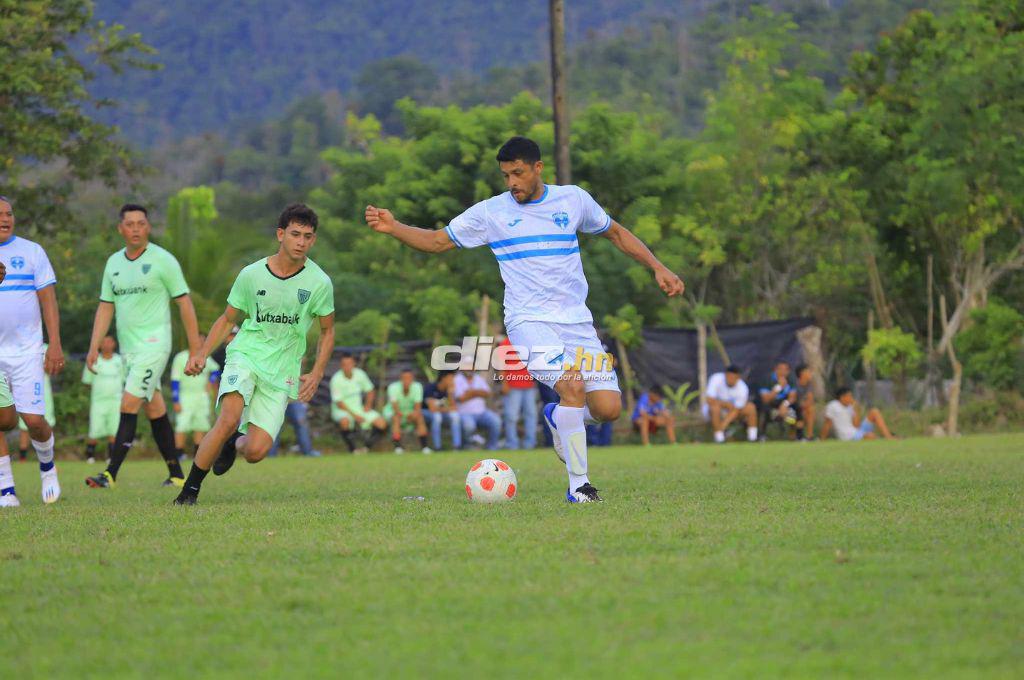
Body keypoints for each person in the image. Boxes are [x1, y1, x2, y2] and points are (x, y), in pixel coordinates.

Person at [366, 136, 684, 502]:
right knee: (571, 385)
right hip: (528, 322)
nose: (512, 183)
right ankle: (579, 486)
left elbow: (614, 232)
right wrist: (395, 227)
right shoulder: (491, 213)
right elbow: (438, 241)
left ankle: (557, 417)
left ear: (538, 168)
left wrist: (657, 267)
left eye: (518, 173)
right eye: (505, 176)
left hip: (576, 322)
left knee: (608, 409)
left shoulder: (573, 199)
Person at [173, 203, 335, 505]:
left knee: (256, 452)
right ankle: (189, 492)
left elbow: (328, 331)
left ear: (313, 240)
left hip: (282, 369)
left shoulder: (319, 283)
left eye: (308, 236)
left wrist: (317, 371)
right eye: (295, 234)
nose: (301, 242)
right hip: (245, 355)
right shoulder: (251, 275)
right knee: (228, 418)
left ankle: (234, 443)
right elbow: (228, 319)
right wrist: (201, 353)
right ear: (280, 234)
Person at [85, 204, 202, 489]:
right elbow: (105, 307)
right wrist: (93, 347)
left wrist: (196, 348)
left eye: (141, 223)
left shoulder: (164, 260)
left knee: (129, 403)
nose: (136, 228)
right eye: (130, 224)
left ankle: (110, 473)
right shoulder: (113, 263)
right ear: (121, 229)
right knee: (154, 409)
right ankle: (176, 473)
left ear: (148, 227)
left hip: (155, 345)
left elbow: (184, 302)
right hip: (129, 350)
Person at [0, 196, 65, 506]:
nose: (5, 218)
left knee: (34, 420)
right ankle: (6, 489)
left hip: (27, 351)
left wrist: (54, 343)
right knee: (1, 420)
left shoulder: (31, 251)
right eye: (0, 214)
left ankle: (47, 467)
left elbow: (48, 300)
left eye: (9, 213)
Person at [170, 333, 220, 462]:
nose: (200, 343)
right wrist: (175, 400)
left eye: (203, 341)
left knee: (201, 425)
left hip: (202, 396)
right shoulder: (180, 357)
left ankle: (198, 454)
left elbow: (216, 370)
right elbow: (175, 380)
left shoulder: (205, 358)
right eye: (198, 340)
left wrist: (211, 380)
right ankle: (179, 454)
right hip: (185, 396)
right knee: (182, 425)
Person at [330, 353, 387, 453]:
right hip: (342, 410)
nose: (347, 367)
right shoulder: (336, 379)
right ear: (341, 366)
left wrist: (368, 405)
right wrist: (355, 416)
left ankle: (366, 447)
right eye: (344, 364)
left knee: (382, 423)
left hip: (359, 408)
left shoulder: (360, 374)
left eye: (349, 364)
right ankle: (353, 450)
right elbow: (339, 403)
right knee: (345, 421)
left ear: (353, 364)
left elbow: (370, 390)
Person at [81, 335, 124, 463]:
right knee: (95, 429)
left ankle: (111, 456)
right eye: (103, 342)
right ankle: (90, 456)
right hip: (98, 401)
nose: (106, 345)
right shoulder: (94, 359)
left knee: (114, 429)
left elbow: (125, 379)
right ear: (99, 345)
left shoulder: (120, 360)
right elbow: (87, 381)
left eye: (109, 342)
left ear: (114, 344)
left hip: (116, 400)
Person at [498, 336, 537, 450]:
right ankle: (512, 444)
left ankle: (530, 444)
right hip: (512, 386)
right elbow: (501, 365)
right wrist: (503, 383)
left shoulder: (528, 341)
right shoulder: (505, 342)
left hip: (529, 385)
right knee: (511, 416)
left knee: (531, 415)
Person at [704, 365, 758, 443]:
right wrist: (726, 405)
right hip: (715, 411)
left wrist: (723, 426)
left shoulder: (743, 388)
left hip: (733, 412)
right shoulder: (716, 379)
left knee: (751, 408)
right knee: (715, 408)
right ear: (725, 375)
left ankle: (752, 438)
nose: (731, 380)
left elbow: (736, 409)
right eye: (729, 377)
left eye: (734, 378)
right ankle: (719, 439)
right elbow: (710, 400)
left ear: (738, 377)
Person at [821, 387, 896, 441]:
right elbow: (827, 423)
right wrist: (822, 439)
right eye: (849, 396)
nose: (851, 398)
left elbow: (856, 425)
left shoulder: (850, 406)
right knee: (870, 436)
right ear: (842, 397)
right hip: (848, 435)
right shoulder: (833, 405)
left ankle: (888, 437)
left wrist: (856, 410)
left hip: (856, 430)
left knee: (874, 411)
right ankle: (882, 438)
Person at [383, 368, 430, 453]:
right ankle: (398, 447)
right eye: (404, 378)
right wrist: (403, 415)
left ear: (412, 379)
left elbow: (417, 407)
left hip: (409, 414)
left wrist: (413, 415)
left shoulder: (417, 386)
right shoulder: (393, 387)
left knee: (419, 417)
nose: (406, 381)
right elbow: (395, 408)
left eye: (409, 378)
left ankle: (425, 447)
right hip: (394, 413)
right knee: (396, 418)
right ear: (400, 379)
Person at [454, 369, 501, 450]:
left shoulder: (478, 378)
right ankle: (468, 446)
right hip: (464, 413)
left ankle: (492, 447)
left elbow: (488, 393)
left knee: (496, 421)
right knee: (469, 426)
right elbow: (461, 398)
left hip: (482, 412)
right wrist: (478, 392)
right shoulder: (456, 379)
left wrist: (471, 392)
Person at [422, 370, 461, 451]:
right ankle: (438, 447)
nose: (452, 381)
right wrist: (448, 409)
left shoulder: (448, 390)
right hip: (425, 412)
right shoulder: (431, 387)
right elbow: (432, 409)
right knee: (437, 416)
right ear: (443, 378)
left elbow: (454, 408)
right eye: (451, 379)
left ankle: (456, 446)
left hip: (440, 412)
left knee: (455, 416)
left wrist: (450, 393)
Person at [757, 360, 797, 438]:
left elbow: (792, 397)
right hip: (770, 406)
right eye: (780, 369)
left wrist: (784, 405)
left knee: (793, 415)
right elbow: (766, 399)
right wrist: (779, 387)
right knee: (765, 411)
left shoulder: (791, 379)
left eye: (785, 370)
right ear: (775, 369)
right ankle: (762, 435)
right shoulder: (767, 380)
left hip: (784, 407)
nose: (782, 372)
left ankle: (794, 436)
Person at [792, 364, 816, 440]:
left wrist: (804, 405)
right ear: (802, 373)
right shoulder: (794, 384)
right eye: (808, 371)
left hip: (802, 409)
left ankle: (809, 436)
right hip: (789, 412)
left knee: (809, 410)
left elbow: (810, 400)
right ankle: (797, 436)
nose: (810, 373)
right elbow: (792, 400)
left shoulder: (809, 385)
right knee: (800, 413)